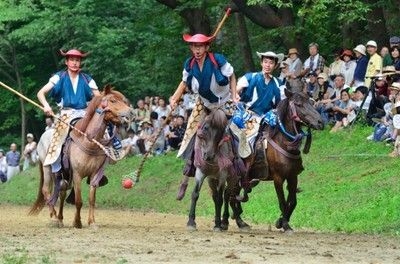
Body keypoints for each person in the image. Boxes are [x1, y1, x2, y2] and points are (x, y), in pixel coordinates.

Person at [169, 33, 237, 201]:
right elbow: (184, 82)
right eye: (194, 46)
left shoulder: (218, 60)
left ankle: (239, 168)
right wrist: (175, 97)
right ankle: (187, 174)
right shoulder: (189, 64)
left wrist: (235, 96)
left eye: (200, 46)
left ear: (207, 47)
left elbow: (232, 76)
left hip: (225, 103)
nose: (197, 50)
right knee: (191, 133)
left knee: (238, 131)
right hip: (204, 104)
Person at [36, 49, 105, 186]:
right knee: (57, 138)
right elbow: (40, 93)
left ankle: (99, 171)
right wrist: (46, 106)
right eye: (72, 60)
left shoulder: (87, 79)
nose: (75, 63)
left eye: (77, 60)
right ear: (67, 62)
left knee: (103, 132)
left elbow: (99, 98)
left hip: (85, 113)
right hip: (65, 114)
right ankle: (58, 172)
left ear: (80, 63)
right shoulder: (58, 77)